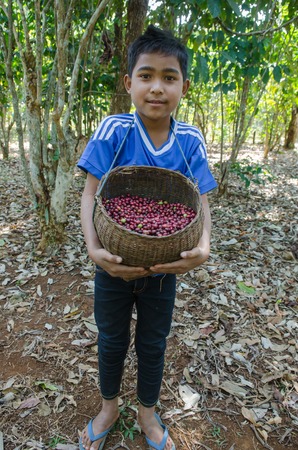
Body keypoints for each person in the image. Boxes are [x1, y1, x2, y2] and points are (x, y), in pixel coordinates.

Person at [78, 25, 217, 450]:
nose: (157, 87)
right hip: (114, 266)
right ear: (128, 83)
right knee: (111, 339)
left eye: (169, 77)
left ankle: (147, 413)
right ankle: (108, 408)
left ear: (184, 86)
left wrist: (204, 246)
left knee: (153, 343)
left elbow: (199, 203)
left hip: (163, 268)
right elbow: (89, 194)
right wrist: (93, 248)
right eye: (146, 75)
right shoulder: (113, 130)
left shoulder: (189, 138)